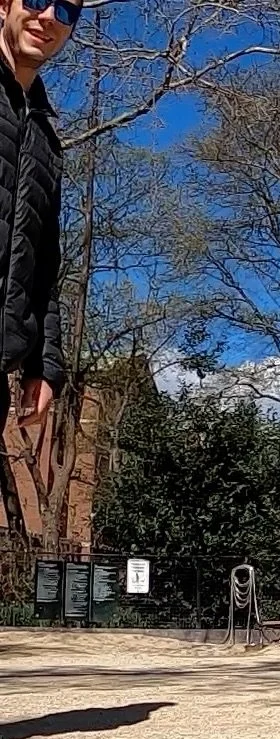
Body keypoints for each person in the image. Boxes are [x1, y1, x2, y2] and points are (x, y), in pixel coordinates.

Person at [0, 0, 78, 434]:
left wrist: (44, 364)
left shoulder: (46, 140)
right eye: (34, 0)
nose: (49, 16)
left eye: (65, 11)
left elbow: (43, 258)